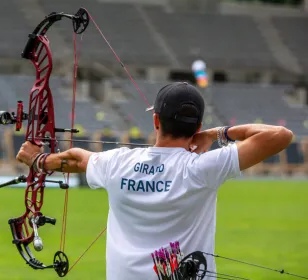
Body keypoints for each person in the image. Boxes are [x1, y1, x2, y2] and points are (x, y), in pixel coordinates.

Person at [16, 82, 293, 280]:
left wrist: (39, 160)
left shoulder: (118, 163)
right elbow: (280, 135)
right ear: (197, 128)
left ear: (156, 120)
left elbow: (77, 159)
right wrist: (216, 133)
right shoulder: (202, 169)